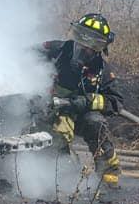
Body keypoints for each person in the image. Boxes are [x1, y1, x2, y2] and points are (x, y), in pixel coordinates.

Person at [41, 12, 125, 187]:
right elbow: (22, 56)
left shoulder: (102, 70)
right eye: (81, 37)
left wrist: (87, 102)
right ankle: (66, 168)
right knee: (59, 129)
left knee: (95, 122)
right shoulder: (57, 50)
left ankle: (108, 170)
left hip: (82, 116)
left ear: (102, 46)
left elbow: (116, 102)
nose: (85, 46)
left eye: (94, 42)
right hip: (52, 110)